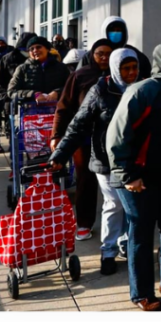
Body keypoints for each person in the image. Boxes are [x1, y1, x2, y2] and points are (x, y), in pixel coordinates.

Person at [108, 44, 161, 311]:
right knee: (141, 235)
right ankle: (141, 292)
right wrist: (128, 175)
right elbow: (117, 136)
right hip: (135, 178)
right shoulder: (143, 92)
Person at [52, 48, 144, 276]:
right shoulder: (100, 91)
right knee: (115, 204)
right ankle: (108, 251)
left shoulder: (142, 89)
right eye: (126, 68)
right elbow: (77, 125)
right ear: (116, 69)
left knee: (132, 206)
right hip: (106, 159)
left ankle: (124, 243)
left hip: (134, 160)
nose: (132, 72)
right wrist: (60, 154)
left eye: (134, 68)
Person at [52, 38, 113, 242]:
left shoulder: (120, 75)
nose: (104, 57)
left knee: (114, 185)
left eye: (108, 53)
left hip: (112, 139)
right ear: (92, 55)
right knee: (85, 181)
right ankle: (84, 223)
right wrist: (57, 135)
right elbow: (64, 107)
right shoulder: (80, 75)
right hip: (84, 138)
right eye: (100, 53)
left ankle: (116, 229)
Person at [7, 35, 70, 104]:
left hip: (56, 109)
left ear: (47, 49)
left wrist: (57, 92)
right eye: (31, 49)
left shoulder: (61, 67)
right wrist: (33, 94)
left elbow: (71, 87)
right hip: (29, 110)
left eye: (38, 47)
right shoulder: (22, 69)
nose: (35, 50)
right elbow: (11, 91)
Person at [0, 31, 33, 116]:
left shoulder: (43, 58)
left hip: (36, 100)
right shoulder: (8, 59)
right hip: (13, 99)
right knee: (11, 125)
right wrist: (5, 96)